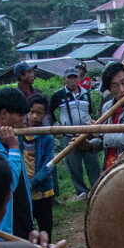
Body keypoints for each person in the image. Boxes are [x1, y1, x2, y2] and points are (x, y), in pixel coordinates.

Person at [0, 87, 34, 238]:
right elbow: (7, 185)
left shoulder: (11, 141)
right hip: (3, 234)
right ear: (3, 114)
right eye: (21, 115)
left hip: (22, 225)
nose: (25, 120)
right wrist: (14, 148)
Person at [50, 66, 98, 201]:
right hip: (69, 135)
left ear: (79, 78)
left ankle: (96, 187)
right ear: (65, 79)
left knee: (92, 161)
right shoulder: (58, 95)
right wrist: (56, 124)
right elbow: (49, 110)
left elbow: (90, 110)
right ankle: (81, 191)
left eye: (74, 77)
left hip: (87, 133)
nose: (72, 81)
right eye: (69, 78)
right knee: (74, 164)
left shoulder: (86, 93)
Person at [22, 95, 57, 238]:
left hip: (42, 192)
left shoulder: (47, 137)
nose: (34, 116)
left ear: (45, 115)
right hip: (24, 192)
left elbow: (49, 165)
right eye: (31, 112)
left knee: (45, 229)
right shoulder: (18, 135)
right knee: (25, 230)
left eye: (39, 113)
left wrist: (33, 183)